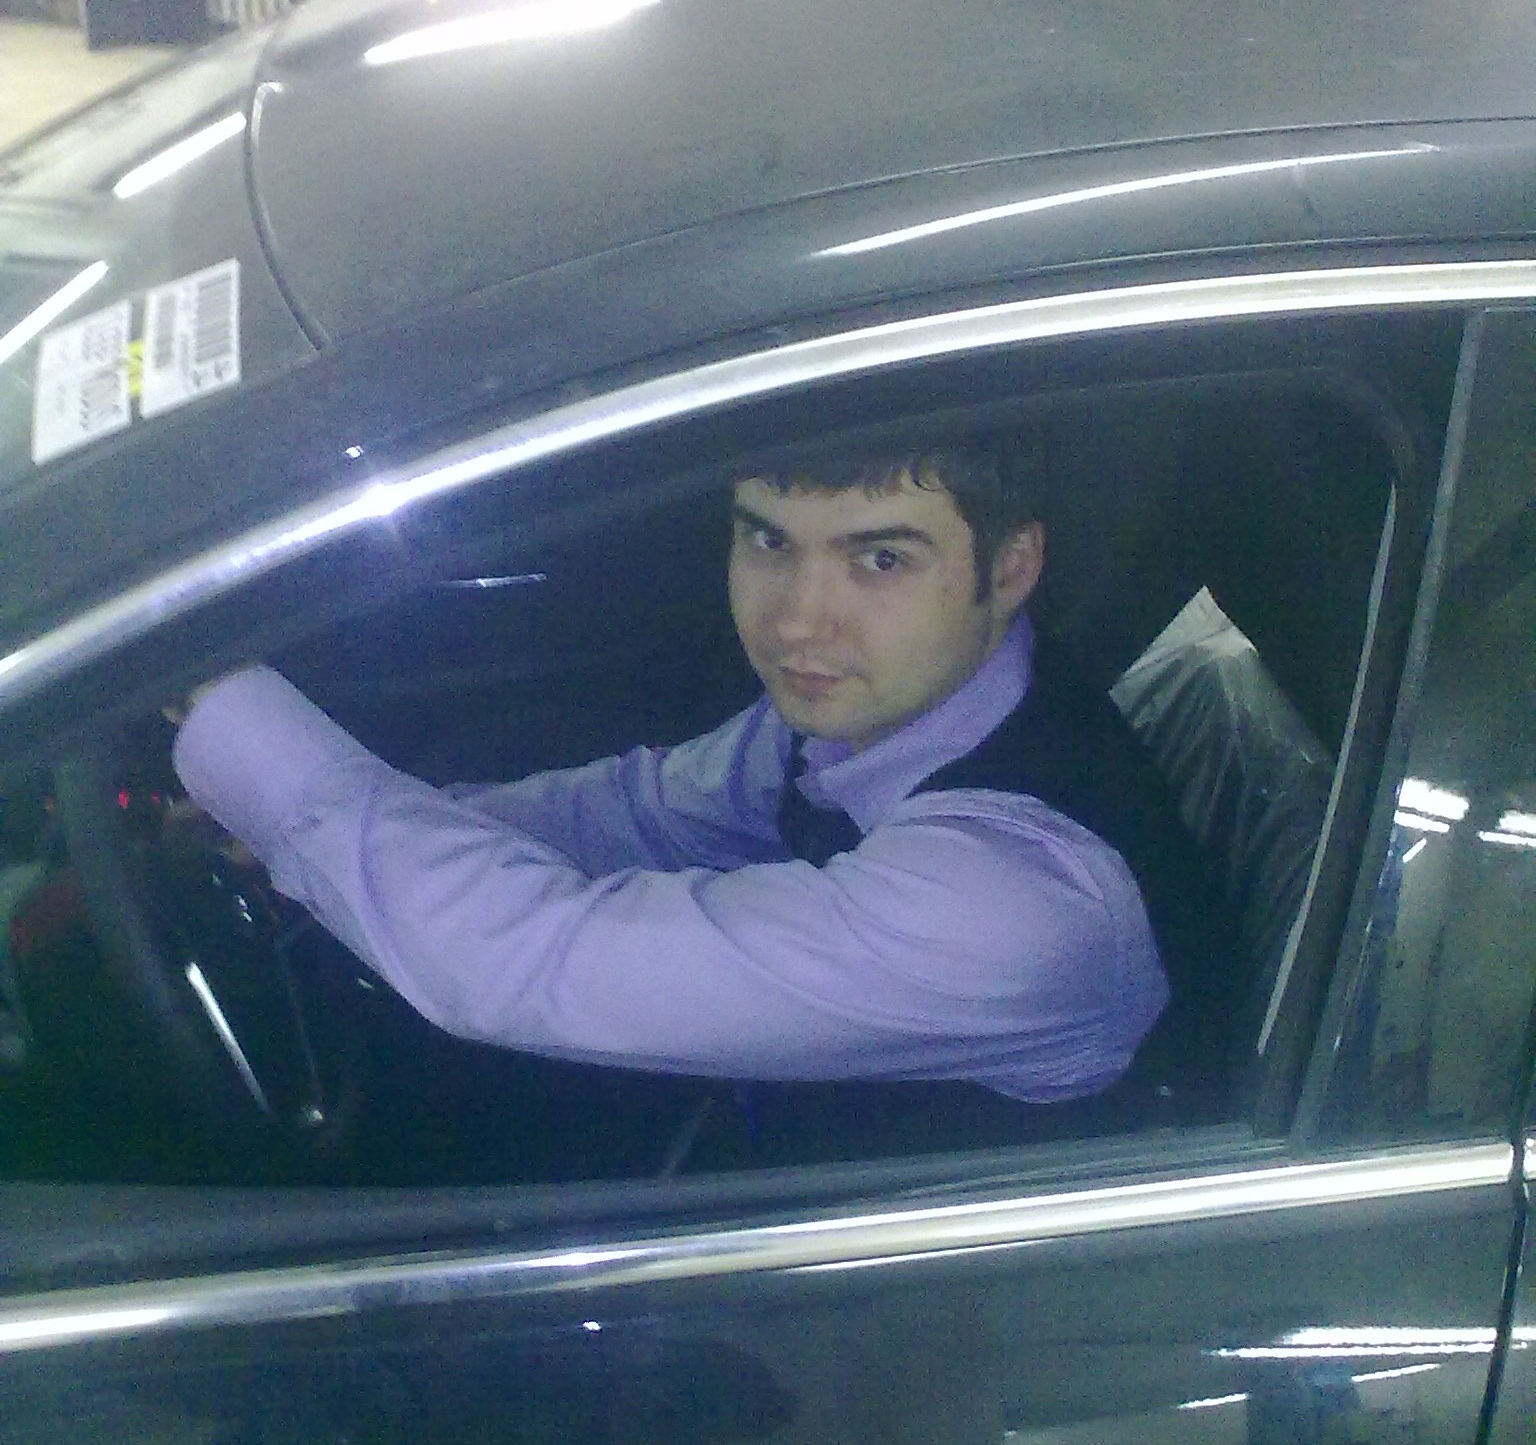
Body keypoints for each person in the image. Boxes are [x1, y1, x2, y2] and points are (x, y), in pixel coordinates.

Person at [173, 432, 1176, 1111]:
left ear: (1012, 567)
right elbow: (644, 810)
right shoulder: (914, 706)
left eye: (880, 560)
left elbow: (533, 966)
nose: (797, 622)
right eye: (768, 540)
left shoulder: (1013, 907)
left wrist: (216, 699)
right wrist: (344, 827)